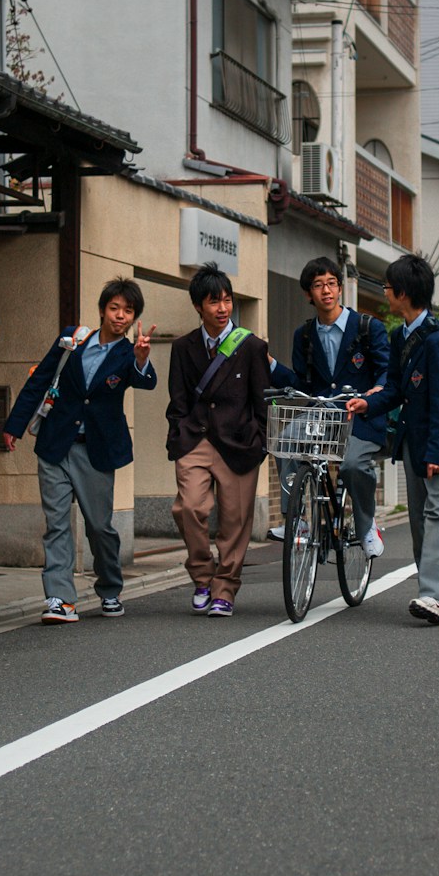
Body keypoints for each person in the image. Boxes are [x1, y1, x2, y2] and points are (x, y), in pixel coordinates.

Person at [3, 278, 158, 623]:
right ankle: (61, 599)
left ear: (134, 318)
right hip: (56, 444)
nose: (120, 316)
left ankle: (109, 587)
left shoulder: (127, 352)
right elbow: (40, 379)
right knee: (56, 523)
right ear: (103, 309)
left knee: (99, 526)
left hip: (96, 450)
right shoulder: (74, 339)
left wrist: (142, 359)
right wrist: (14, 425)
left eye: (128, 311)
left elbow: (146, 381)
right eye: (114, 308)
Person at [347, 254, 439, 626]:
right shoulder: (401, 334)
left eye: (387, 286)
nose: (385, 292)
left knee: (438, 514)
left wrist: (438, 452)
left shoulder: (438, 341)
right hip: (415, 443)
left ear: (402, 292)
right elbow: (397, 388)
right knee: (420, 520)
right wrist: (368, 402)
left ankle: (432, 594)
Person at [166, 263, 271, 617]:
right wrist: (177, 435)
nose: (223, 308)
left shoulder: (252, 346)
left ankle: (224, 589)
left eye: (227, 300)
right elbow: (177, 400)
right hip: (195, 439)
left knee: (234, 521)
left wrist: (260, 441)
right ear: (199, 306)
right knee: (189, 507)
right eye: (214, 302)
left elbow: (262, 401)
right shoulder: (183, 348)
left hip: (240, 443)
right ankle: (201, 576)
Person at [269, 256, 391, 557]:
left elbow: (388, 370)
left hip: (361, 416)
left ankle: (366, 526)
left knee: (352, 466)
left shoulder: (367, 327)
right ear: (308, 294)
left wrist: (378, 390)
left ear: (340, 288)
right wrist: (271, 366)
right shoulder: (305, 335)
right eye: (318, 285)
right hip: (323, 417)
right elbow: (302, 384)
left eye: (332, 284)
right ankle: (297, 522)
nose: (326, 290)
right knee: (283, 442)